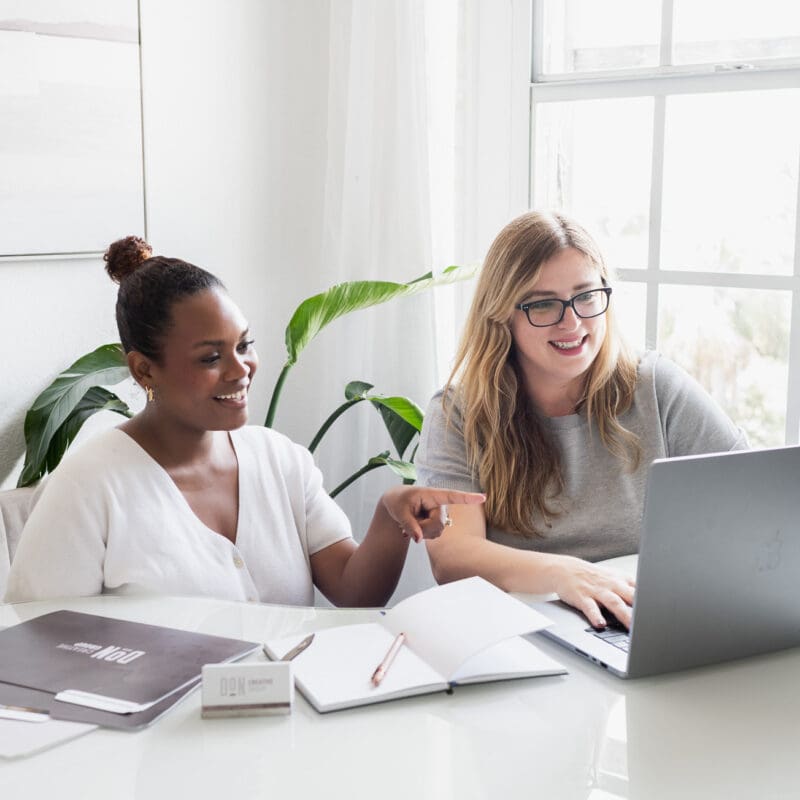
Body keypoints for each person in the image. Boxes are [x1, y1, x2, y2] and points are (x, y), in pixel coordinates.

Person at [5, 236, 484, 607]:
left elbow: (354, 592)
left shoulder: (281, 461)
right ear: (144, 369)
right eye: (211, 356)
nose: (241, 369)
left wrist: (389, 516)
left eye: (245, 345)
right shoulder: (89, 485)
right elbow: (40, 646)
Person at [416, 211, 748, 629]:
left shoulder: (656, 387)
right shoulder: (460, 411)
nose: (571, 322)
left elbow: (753, 500)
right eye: (543, 303)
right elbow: (452, 556)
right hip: (519, 632)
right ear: (502, 314)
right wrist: (565, 573)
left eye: (586, 296)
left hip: (637, 622)